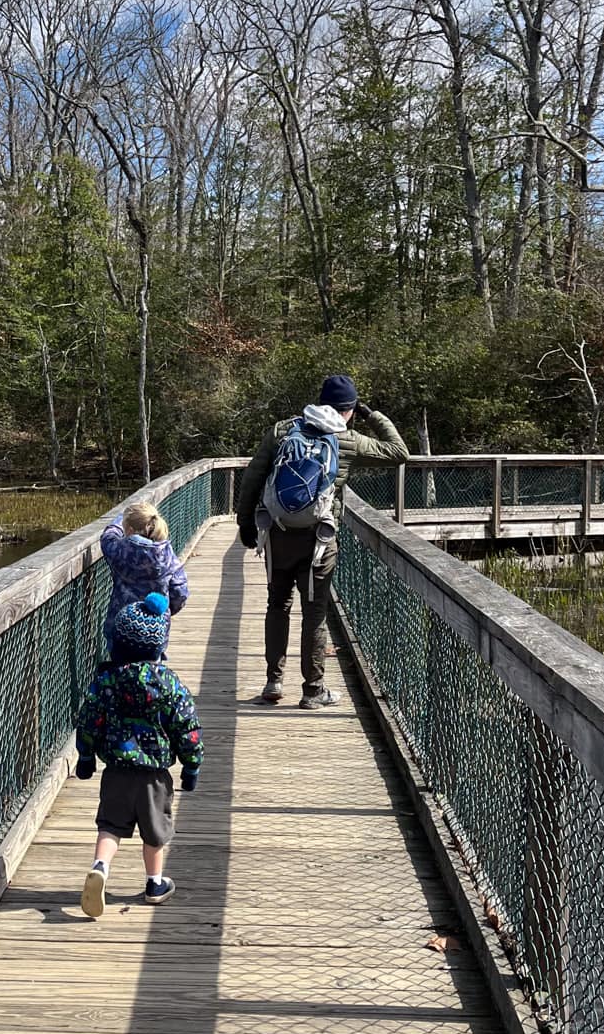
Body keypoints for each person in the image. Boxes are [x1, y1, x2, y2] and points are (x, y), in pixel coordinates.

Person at [237, 372, 408, 709]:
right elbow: (399, 452)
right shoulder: (348, 438)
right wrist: (370, 414)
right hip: (319, 540)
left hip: (278, 534)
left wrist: (245, 523)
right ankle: (313, 690)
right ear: (349, 409)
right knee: (314, 613)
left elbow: (252, 477)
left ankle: (273, 681)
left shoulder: (284, 430)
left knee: (277, 604)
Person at [74, 592, 202, 917]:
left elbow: (89, 718)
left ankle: (100, 867)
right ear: (159, 646)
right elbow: (186, 726)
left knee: (111, 826)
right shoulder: (169, 684)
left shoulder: (106, 681)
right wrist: (191, 764)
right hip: (154, 776)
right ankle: (154, 883)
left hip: (115, 769)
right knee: (155, 831)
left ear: (117, 642)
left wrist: (86, 755)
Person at [99, 500, 189, 652]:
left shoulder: (120, 550)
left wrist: (119, 518)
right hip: (156, 627)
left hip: (121, 628)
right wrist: (166, 610)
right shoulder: (167, 555)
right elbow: (180, 592)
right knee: (152, 669)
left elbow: (107, 537)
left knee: (120, 669)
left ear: (129, 529)